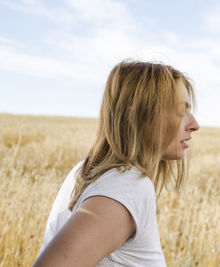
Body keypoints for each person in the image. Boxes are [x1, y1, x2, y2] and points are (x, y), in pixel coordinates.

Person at [33, 60, 200, 267]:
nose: (194, 125)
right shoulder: (128, 185)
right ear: (137, 115)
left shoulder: (84, 172)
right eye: (179, 112)